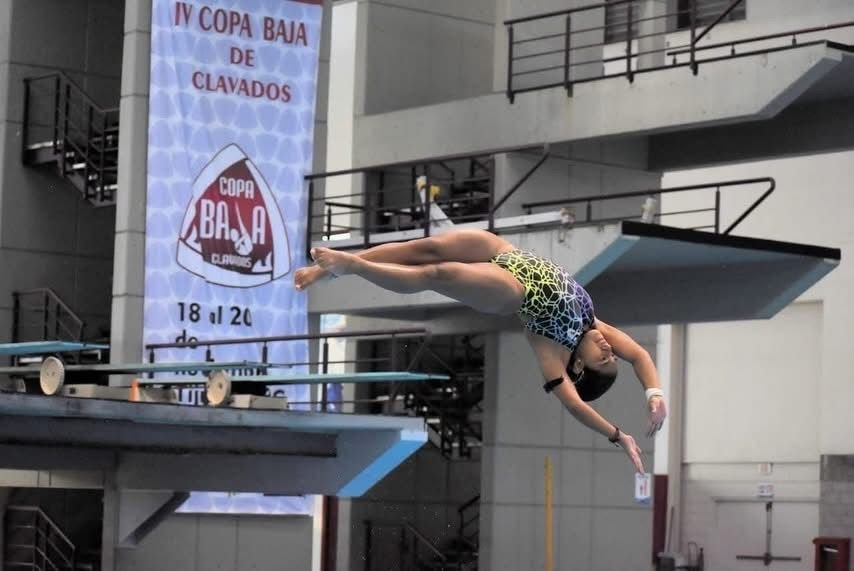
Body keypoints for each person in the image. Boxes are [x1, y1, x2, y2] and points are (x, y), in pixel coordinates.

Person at [295, 229, 667, 473]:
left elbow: (574, 405)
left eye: (604, 357)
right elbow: (641, 356)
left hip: (509, 290)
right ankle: (331, 269)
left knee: (437, 272)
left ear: (581, 367)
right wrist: (654, 394)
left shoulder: (552, 351)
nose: (608, 347)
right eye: (610, 353)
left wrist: (618, 435)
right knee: (426, 248)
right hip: (505, 252)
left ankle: (353, 267)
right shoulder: (594, 325)